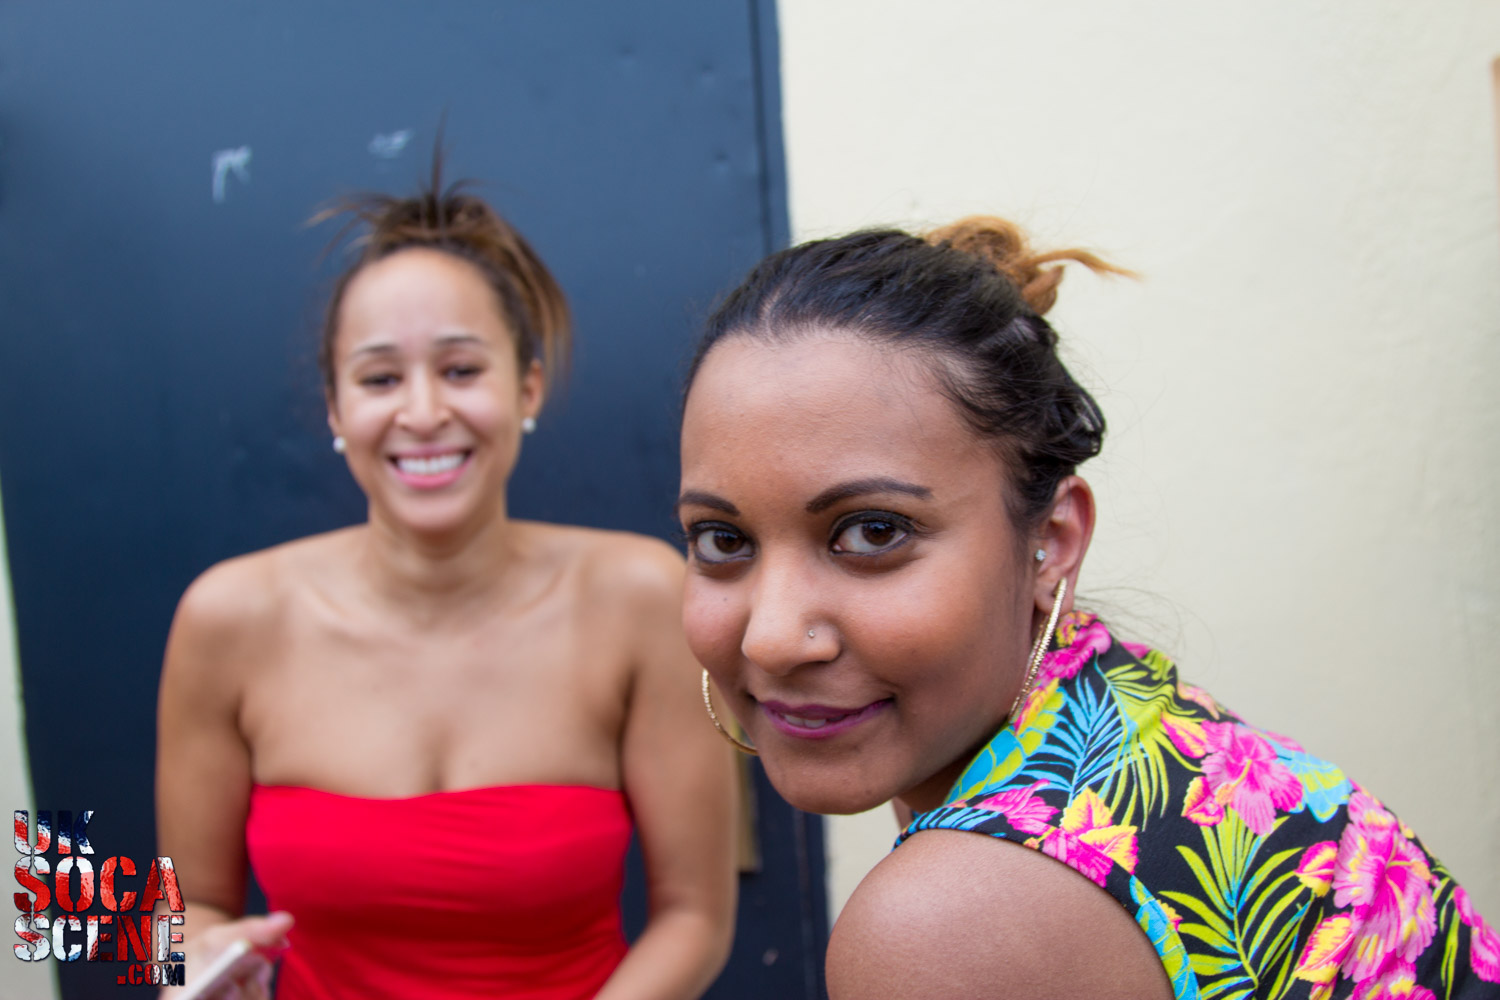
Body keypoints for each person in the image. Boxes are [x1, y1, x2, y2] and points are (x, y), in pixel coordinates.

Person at [677, 217, 1499, 999]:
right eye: (722, 539)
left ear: (1052, 539)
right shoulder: (1133, 723)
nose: (772, 636)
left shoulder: (953, 925)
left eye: (873, 532)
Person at [156, 167, 737, 1000]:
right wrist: (193, 970)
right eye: (379, 378)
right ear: (335, 408)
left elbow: (696, 917)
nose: (423, 412)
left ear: (526, 386)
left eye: (461, 369)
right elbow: (181, 916)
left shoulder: (639, 596)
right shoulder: (227, 619)